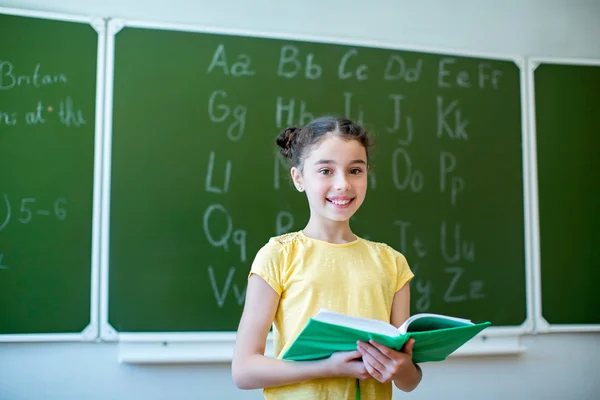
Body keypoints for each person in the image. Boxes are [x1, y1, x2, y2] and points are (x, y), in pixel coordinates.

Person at [231, 116, 422, 399]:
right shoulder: (278, 256)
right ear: (299, 178)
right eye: (326, 171)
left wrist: (402, 367)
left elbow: (408, 381)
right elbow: (244, 371)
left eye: (355, 170)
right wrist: (327, 368)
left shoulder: (392, 263)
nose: (343, 184)